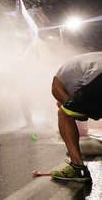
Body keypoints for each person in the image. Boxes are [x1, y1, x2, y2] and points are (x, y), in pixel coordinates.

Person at [49, 52, 102, 183]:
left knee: (64, 113)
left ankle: (77, 168)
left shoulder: (56, 84)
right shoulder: (77, 68)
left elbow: (70, 108)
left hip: (99, 75)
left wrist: (67, 107)